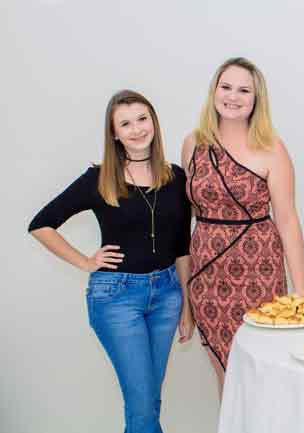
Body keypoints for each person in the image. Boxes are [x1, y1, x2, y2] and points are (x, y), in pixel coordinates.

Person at [29, 89, 194, 433]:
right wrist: (85, 261)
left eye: (142, 119)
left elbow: (182, 246)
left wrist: (187, 306)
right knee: (142, 405)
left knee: (148, 401)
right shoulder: (100, 178)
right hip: (117, 297)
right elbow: (41, 224)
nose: (137, 129)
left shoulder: (175, 177)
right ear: (114, 133)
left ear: (154, 122)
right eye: (125, 123)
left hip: (167, 295)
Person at [182, 57, 304, 393]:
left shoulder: (271, 148)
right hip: (207, 275)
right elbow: (189, 211)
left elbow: (287, 219)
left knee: (260, 374)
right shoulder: (193, 143)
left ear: (256, 99)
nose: (233, 96)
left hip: (259, 272)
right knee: (225, 374)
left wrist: (302, 291)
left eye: (243, 90)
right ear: (214, 92)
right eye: (226, 87)